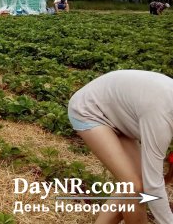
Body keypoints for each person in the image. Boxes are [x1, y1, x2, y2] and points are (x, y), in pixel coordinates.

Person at [68, 70, 173, 223]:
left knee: (136, 184)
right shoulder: (160, 118)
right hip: (90, 110)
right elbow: (154, 183)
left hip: (120, 114)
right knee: (134, 187)